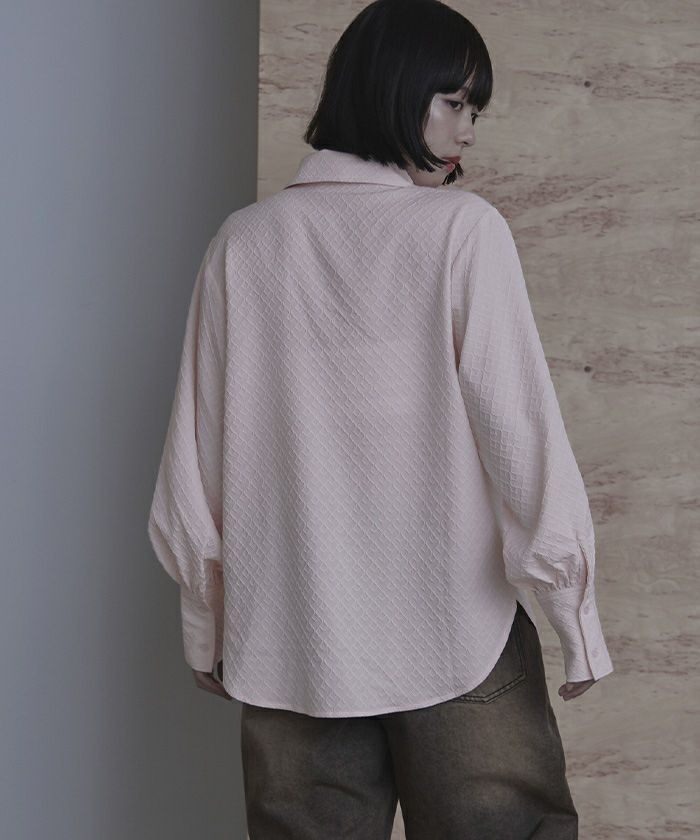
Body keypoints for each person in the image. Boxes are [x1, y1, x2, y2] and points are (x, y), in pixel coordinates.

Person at [146, 0, 614, 836]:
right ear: (392, 86)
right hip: (453, 628)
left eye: (475, 110)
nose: (468, 130)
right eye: (455, 102)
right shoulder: (462, 232)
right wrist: (573, 612)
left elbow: (196, 459)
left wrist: (207, 621)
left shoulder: (245, 244)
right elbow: (522, 436)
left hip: (291, 639)